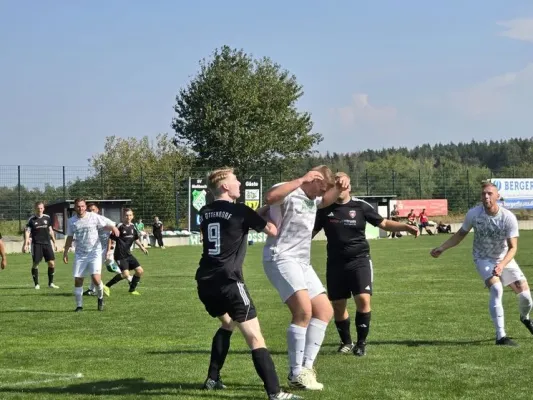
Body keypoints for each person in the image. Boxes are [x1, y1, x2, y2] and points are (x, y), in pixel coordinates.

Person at [196, 167, 302, 400]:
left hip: (205, 280)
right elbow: (273, 231)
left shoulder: (205, 211)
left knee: (227, 324)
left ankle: (212, 378)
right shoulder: (241, 212)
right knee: (255, 336)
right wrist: (274, 210)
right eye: (235, 181)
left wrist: (255, 213)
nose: (240, 184)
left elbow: (235, 218)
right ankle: (275, 393)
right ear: (225, 186)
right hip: (229, 280)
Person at [262, 165, 349, 391]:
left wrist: (341, 185)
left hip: (302, 262)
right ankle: (295, 372)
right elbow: (270, 197)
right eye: (319, 189)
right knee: (303, 311)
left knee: (324, 310)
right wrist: (301, 178)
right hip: (280, 257)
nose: (320, 195)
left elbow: (327, 199)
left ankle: (306, 368)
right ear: (313, 178)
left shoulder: (315, 197)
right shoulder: (289, 189)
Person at [313, 172, 419, 356]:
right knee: (338, 305)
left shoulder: (361, 207)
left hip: (359, 260)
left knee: (363, 298)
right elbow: (310, 232)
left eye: (342, 183)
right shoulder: (324, 210)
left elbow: (383, 223)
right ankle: (346, 342)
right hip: (335, 263)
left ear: (349, 187)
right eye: (335, 184)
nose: (339, 187)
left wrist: (405, 226)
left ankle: (361, 343)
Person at [430, 181, 533, 345]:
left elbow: (513, 248)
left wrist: (502, 265)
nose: (486, 196)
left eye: (490, 193)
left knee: (526, 297)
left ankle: (525, 318)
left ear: (497, 196)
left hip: (504, 258)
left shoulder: (508, 218)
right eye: (483, 193)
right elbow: (460, 235)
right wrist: (442, 248)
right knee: (497, 288)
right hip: (483, 258)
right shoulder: (474, 214)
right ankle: (501, 337)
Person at [63, 198, 120, 312]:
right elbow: (70, 237)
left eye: (83, 206)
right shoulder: (71, 221)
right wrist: (65, 252)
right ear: (75, 207)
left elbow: (105, 225)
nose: (81, 208)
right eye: (78, 206)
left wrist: (113, 227)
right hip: (80, 254)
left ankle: (100, 298)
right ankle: (79, 306)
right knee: (78, 280)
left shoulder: (93, 216)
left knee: (96, 279)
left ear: (85, 206)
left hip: (94, 253)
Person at [104, 208, 148, 295]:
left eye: (130, 215)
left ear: (133, 216)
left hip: (128, 254)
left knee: (140, 271)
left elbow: (135, 238)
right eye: (126, 215)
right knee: (125, 274)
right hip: (120, 255)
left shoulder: (133, 226)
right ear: (123, 216)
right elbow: (111, 238)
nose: (128, 217)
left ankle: (132, 290)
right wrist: (108, 251)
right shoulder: (119, 226)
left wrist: (142, 247)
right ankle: (106, 286)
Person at [23, 201, 59, 289]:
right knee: (36, 263)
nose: (40, 210)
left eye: (41, 208)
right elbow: (27, 232)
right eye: (38, 208)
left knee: (51, 263)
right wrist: (26, 244)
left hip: (47, 244)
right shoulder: (31, 219)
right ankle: (36, 284)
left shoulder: (47, 218)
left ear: (44, 208)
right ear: (35, 208)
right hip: (36, 244)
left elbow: (51, 231)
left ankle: (50, 283)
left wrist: (54, 242)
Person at [83, 203, 117, 296]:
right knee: (106, 268)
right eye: (89, 210)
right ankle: (128, 277)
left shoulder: (102, 219)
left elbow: (114, 227)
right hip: (95, 249)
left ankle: (92, 289)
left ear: (98, 210)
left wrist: (111, 246)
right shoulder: (87, 221)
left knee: (95, 270)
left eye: (93, 209)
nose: (91, 212)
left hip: (105, 248)